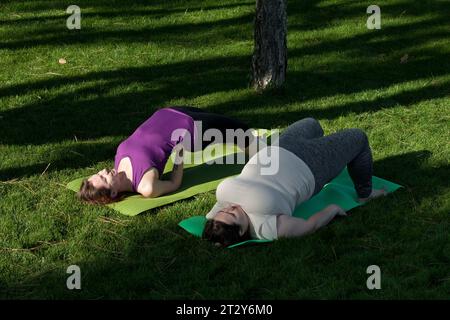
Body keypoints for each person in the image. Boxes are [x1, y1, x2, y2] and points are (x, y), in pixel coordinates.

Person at [203, 118, 387, 247]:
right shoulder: (263, 226)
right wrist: (332, 209)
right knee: (359, 137)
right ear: (243, 230)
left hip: (277, 149)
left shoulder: (219, 219)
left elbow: (215, 233)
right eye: (232, 214)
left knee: (311, 123)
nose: (230, 207)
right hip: (311, 164)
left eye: (223, 210)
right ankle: (366, 194)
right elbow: (308, 226)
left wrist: (217, 237)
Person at [78, 106, 254, 204]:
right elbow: (174, 183)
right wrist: (179, 153)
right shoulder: (146, 187)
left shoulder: (118, 164)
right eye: (104, 177)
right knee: (242, 132)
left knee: (226, 123)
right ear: (114, 191)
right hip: (192, 129)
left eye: (99, 173)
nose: (104, 171)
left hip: (171, 112)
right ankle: (264, 159)